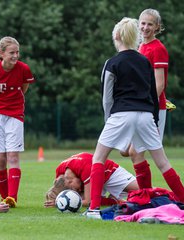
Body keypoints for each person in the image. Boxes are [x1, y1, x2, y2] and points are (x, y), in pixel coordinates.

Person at [86, 17, 184, 219]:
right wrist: (154, 120)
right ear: (135, 36)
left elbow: (107, 99)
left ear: (116, 36)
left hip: (121, 114)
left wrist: (109, 122)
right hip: (146, 115)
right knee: (163, 163)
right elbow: (152, 93)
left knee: (98, 158)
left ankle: (93, 209)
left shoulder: (111, 63)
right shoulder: (145, 62)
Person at [0, 36, 35, 207]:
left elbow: (24, 88)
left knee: (13, 155)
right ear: (1, 54)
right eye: (11, 52)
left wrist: (11, 102)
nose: (15, 56)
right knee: (0, 158)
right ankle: (4, 199)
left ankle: (12, 198)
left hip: (15, 114)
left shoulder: (24, 69)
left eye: (17, 52)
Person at [121, 9, 170, 190]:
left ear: (157, 27)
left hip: (152, 108)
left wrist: (146, 104)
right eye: (142, 23)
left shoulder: (158, 49)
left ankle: (145, 194)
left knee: (138, 153)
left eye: (150, 24)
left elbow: (159, 85)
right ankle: (145, 193)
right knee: (129, 152)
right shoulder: (140, 47)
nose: (145, 27)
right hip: (141, 107)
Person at [44, 152, 139, 208]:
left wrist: (61, 203)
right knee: (83, 197)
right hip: (93, 178)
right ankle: (114, 200)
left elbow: (89, 201)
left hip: (109, 173)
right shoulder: (60, 173)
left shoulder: (85, 169)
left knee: (142, 190)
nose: (78, 191)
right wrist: (60, 198)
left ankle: (153, 193)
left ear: (70, 181)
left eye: (75, 189)